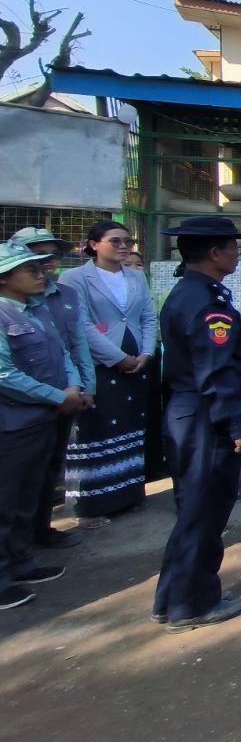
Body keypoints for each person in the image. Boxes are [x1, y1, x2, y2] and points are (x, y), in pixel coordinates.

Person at [153, 216, 241, 630]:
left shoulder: (191, 292)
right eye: (234, 248)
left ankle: (174, 597)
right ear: (215, 253)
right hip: (206, 418)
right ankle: (192, 605)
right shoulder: (205, 303)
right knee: (205, 512)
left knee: (194, 511)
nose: (237, 255)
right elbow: (215, 373)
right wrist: (239, 426)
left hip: (190, 412)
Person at [0, 240, 91, 610]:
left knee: (29, 496)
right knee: (5, 500)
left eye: (41, 268)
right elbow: (5, 374)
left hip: (43, 419)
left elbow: (62, 352)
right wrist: (57, 396)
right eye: (30, 270)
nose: (41, 275)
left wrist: (73, 386)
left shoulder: (34, 310)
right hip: (12, 425)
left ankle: (19, 561)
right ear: (4, 278)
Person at [58, 220, 158, 528]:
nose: (124, 246)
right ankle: (90, 505)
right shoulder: (75, 278)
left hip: (137, 360)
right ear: (93, 244)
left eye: (128, 241)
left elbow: (147, 316)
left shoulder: (136, 276)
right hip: (99, 363)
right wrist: (117, 358)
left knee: (129, 425)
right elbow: (81, 324)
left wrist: (146, 353)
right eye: (115, 241)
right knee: (97, 429)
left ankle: (128, 494)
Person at [9, 228, 96, 550]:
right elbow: (6, 373)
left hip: (63, 398)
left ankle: (39, 531)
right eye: (36, 257)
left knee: (48, 469)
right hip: (22, 410)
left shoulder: (59, 297)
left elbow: (72, 344)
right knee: (14, 485)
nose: (45, 264)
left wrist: (82, 385)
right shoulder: (12, 307)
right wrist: (58, 396)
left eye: (51, 256)